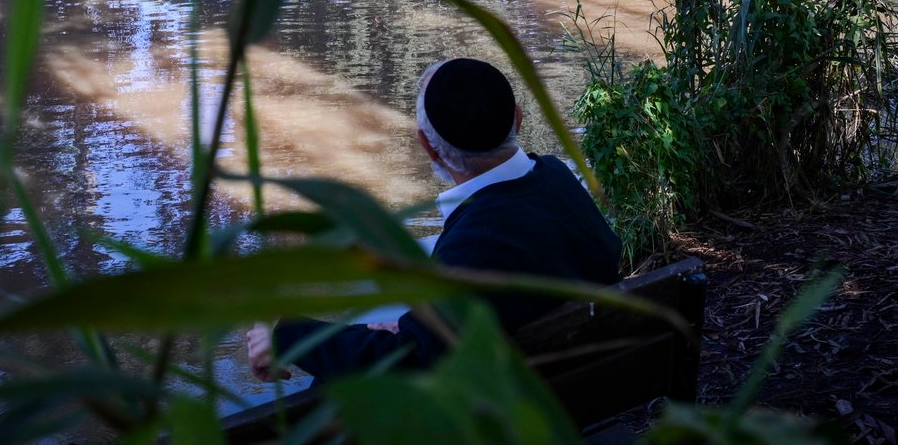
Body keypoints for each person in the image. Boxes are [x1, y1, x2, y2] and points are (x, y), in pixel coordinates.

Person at [246, 58, 623, 384]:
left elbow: (406, 363)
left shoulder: (476, 241)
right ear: (518, 119)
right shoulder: (558, 180)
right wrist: (415, 331)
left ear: (428, 147)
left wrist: (290, 334)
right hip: (592, 388)